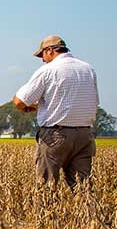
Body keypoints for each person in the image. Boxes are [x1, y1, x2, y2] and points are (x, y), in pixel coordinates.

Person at [13, 35, 99, 189]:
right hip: (85, 136)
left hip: (56, 135)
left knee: (46, 188)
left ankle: (46, 213)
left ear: (50, 51)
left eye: (43, 55)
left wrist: (31, 107)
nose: (43, 59)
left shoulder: (48, 70)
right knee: (84, 189)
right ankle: (93, 213)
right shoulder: (88, 69)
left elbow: (20, 100)